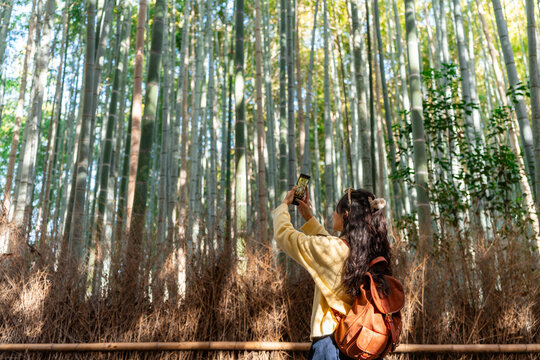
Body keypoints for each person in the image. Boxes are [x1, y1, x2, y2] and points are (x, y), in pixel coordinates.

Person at [272, 186, 391, 360]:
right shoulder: (371, 252)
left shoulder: (334, 250)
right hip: (362, 341)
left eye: (337, 211)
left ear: (347, 216)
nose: (333, 215)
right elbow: (331, 252)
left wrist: (283, 205)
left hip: (332, 344)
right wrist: (308, 218)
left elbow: (285, 235)